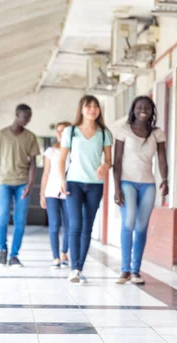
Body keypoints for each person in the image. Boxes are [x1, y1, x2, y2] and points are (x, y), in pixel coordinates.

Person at [112, 96, 169, 285]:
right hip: (126, 182)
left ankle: (136, 270)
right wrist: (116, 187)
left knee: (142, 227)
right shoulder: (124, 130)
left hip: (148, 184)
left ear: (152, 111)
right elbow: (117, 160)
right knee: (128, 222)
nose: (143, 110)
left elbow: (162, 158)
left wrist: (165, 179)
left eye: (147, 107)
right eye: (139, 107)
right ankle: (124, 269)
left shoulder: (157, 133)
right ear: (133, 109)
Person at [59, 96, 112, 284]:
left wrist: (104, 167)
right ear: (81, 109)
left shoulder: (104, 133)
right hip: (74, 182)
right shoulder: (70, 131)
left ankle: (79, 267)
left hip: (95, 185)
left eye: (95, 106)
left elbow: (108, 160)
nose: (92, 109)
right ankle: (73, 268)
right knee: (75, 225)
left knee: (87, 227)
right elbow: (62, 158)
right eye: (88, 106)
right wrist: (61, 180)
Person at [0, 104, 40, 267]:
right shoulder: (2, 135)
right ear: (17, 115)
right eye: (25, 117)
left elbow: (33, 164)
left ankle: (14, 255)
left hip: (22, 182)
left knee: (20, 220)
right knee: (2, 217)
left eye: (30, 117)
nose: (28, 120)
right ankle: (2, 250)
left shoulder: (30, 137)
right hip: (3, 182)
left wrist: (30, 185)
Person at [40, 121, 71, 269]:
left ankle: (64, 252)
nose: (60, 134)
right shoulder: (50, 151)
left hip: (68, 192)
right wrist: (42, 194)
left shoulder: (74, 151)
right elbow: (46, 173)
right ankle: (56, 257)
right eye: (58, 131)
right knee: (54, 225)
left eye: (64, 131)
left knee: (68, 225)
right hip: (51, 192)